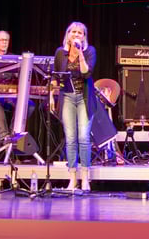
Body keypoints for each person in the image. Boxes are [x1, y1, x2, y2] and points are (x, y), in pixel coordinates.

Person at [54, 21, 97, 191]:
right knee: (71, 139)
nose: (76, 35)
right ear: (68, 34)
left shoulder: (89, 51)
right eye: (73, 32)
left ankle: (85, 178)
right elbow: (56, 76)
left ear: (84, 37)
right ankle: (72, 178)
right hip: (67, 98)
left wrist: (80, 54)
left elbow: (86, 73)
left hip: (84, 98)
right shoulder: (60, 53)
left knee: (84, 138)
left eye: (80, 33)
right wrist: (51, 95)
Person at [0, 30, 35, 144]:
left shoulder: (15, 58)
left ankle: (14, 133)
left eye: (6, 40)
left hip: (11, 96)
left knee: (29, 105)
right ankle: (5, 137)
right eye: (2, 40)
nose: (5, 43)